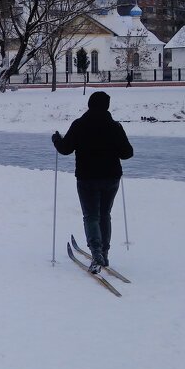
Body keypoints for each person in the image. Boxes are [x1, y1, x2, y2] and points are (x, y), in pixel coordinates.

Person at [51, 91, 134, 275]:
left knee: (91, 216)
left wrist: (56, 140)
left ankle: (96, 253)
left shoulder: (80, 125)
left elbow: (65, 149)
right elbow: (127, 153)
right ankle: (104, 252)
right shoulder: (114, 127)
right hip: (111, 178)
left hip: (87, 178)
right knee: (104, 215)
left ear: (90, 104)